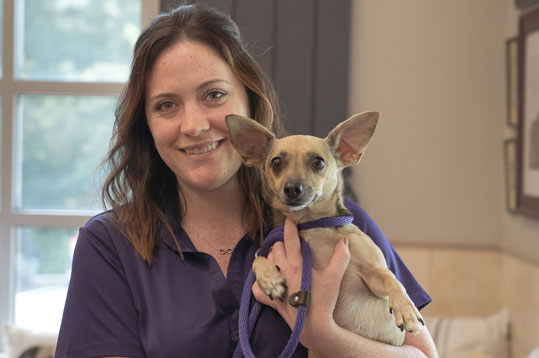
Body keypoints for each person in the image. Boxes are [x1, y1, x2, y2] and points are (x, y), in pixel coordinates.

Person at [55, 4, 438, 358]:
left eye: (214, 94)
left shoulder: (338, 225)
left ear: (250, 108)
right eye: (166, 105)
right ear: (147, 124)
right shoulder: (109, 247)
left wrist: (321, 334)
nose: (194, 125)